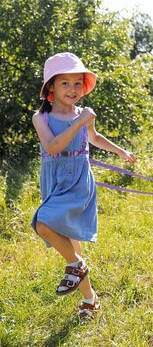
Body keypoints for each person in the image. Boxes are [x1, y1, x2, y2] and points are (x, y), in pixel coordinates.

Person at [31, 52, 136, 322]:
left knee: (43, 222)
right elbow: (53, 147)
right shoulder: (40, 118)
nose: (73, 89)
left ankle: (78, 269)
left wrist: (120, 151)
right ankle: (89, 299)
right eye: (65, 83)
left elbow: (94, 137)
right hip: (55, 180)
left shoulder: (84, 115)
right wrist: (79, 121)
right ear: (51, 87)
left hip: (78, 180)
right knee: (72, 251)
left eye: (78, 83)